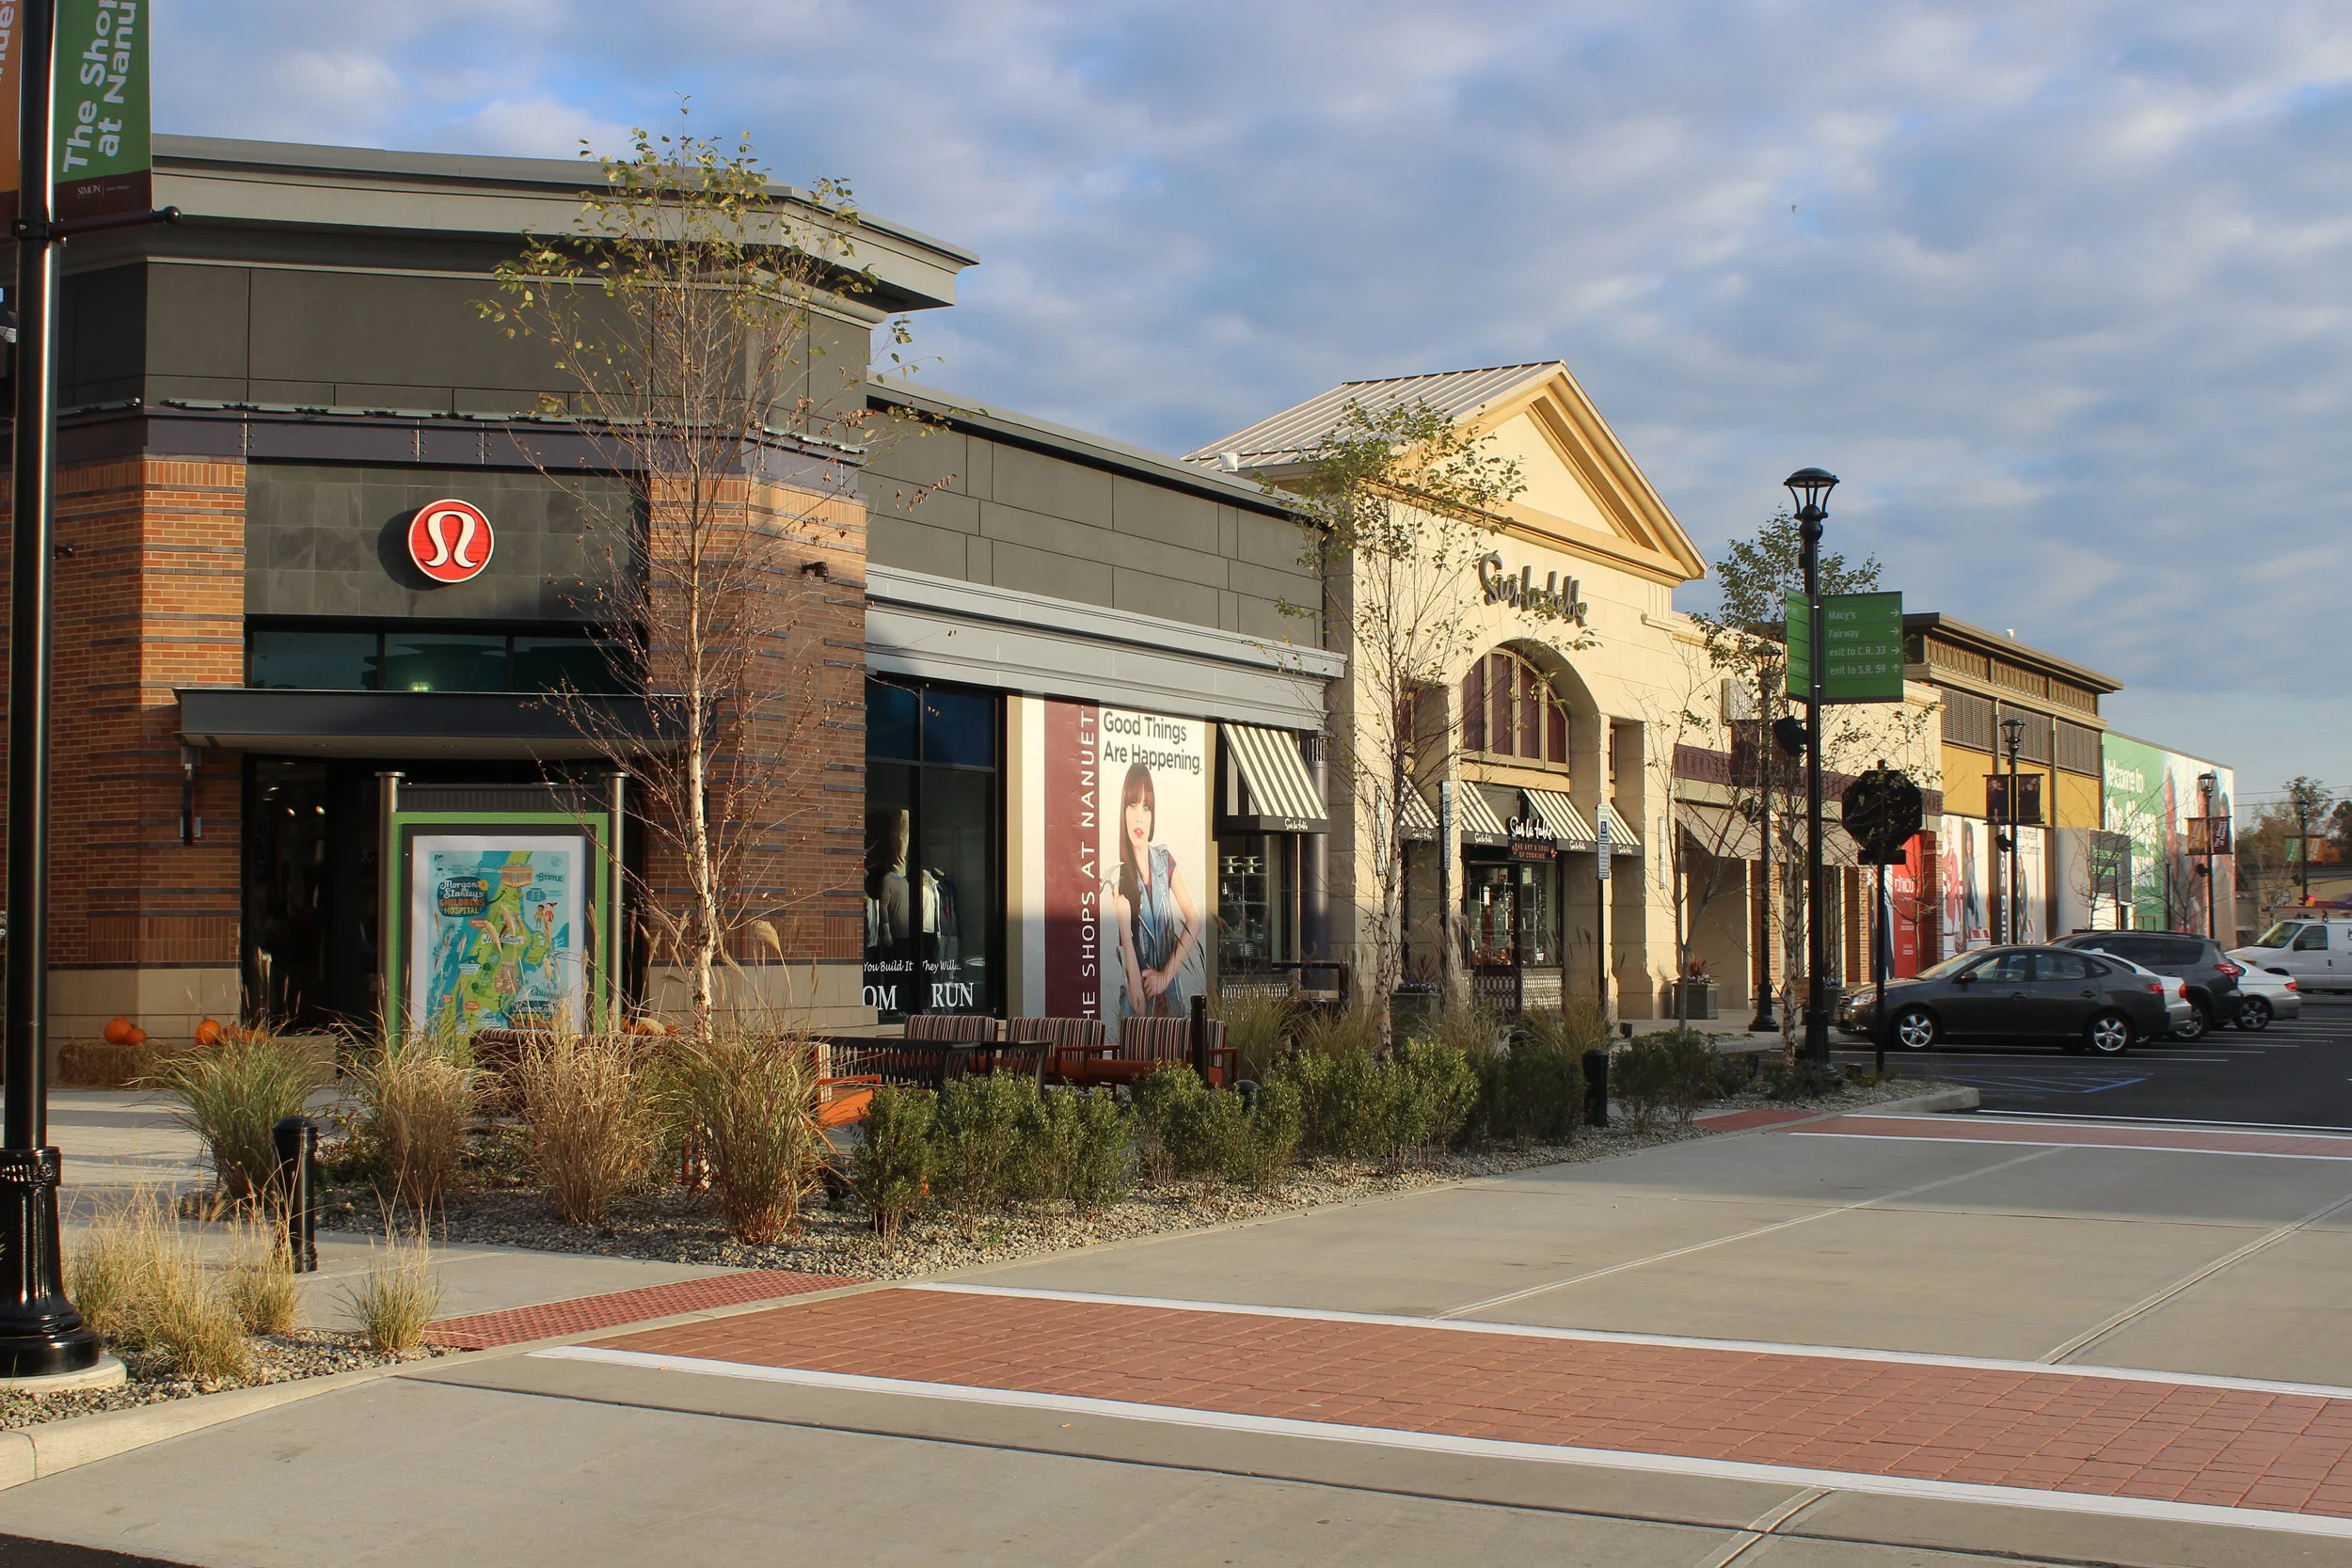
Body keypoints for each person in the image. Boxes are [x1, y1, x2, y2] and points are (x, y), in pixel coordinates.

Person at [1104, 762, 1201, 1024]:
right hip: (1140, 1022)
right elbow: (1137, 1004)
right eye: (1132, 804)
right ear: (1123, 812)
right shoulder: (1121, 880)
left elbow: (1195, 920)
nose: (1139, 816)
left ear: (1153, 814)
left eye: (1146, 806)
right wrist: (1124, 927)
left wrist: (1164, 977)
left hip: (1173, 1006)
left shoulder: (1164, 861)